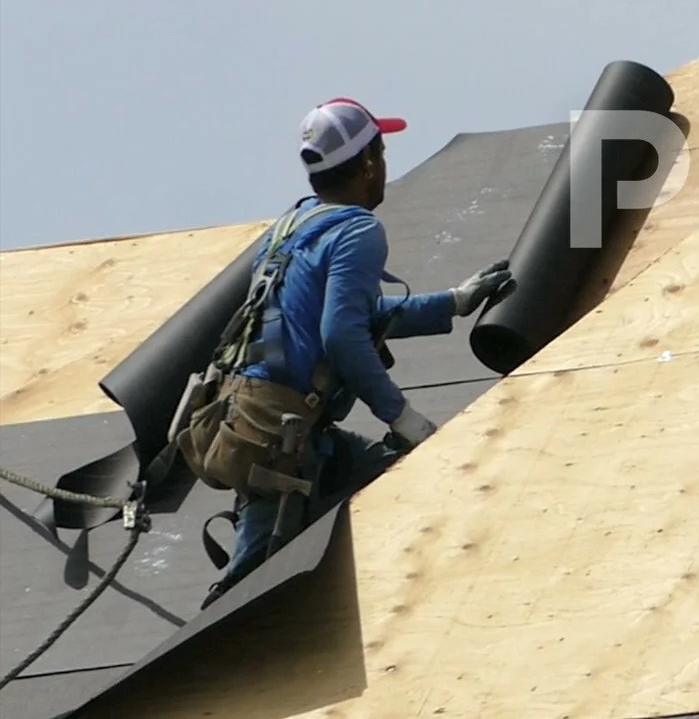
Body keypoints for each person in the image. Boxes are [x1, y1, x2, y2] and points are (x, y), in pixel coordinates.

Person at [194, 98, 514, 605]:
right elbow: (342, 335)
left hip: (244, 418)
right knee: (252, 586)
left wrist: (452, 303)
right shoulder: (357, 230)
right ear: (367, 164)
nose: (385, 165)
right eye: (382, 153)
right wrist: (402, 417)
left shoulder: (293, 224)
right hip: (282, 435)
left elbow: (341, 317)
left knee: (370, 472)